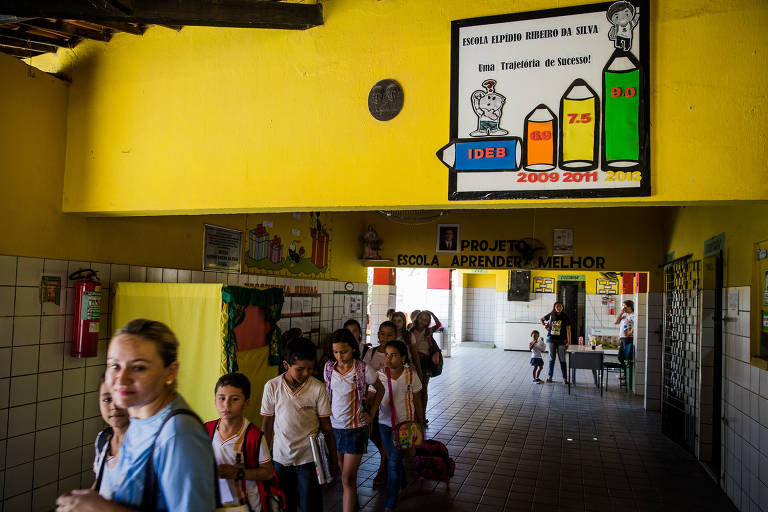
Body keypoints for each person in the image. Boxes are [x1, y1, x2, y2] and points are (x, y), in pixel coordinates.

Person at [56, 319, 218, 512]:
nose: (122, 379)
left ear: (171, 371)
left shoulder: (178, 433)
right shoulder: (138, 418)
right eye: (114, 366)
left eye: (139, 368)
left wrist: (102, 509)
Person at [261, 337, 339, 512]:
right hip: (281, 459)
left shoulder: (317, 388)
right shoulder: (272, 387)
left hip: (309, 460)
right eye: (300, 369)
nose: (306, 373)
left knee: (310, 506)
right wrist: (264, 458)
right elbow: (267, 424)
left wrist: (333, 458)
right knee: (284, 505)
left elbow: (327, 427)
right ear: (286, 365)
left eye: (310, 369)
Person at [324, 329, 385, 512]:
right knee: (345, 476)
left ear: (353, 349)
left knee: (347, 478)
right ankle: (353, 504)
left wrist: (372, 413)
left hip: (356, 429)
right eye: (336, 352)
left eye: (344, 351)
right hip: (336, 429)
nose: (340, 356)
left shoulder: (362, 369)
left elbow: (380, 389)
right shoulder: (328, 368)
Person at [207, 373, 274, 511]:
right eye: (221, 398)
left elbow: (268, 472)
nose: (226, 404)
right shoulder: (206, 430)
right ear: (214, 400)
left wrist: (238, 473)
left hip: (246, 505)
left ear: (246, 403)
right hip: (214, 503)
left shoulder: (254, 436)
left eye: (235, 399)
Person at [377, 340, 423, 512]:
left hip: (405, 425)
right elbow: (371, 396)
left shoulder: (411, 375)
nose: (389, 359)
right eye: (387, 355)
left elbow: (417, 400)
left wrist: (420, 421)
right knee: (393, 459)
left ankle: (391, 502)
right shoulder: (379, 376)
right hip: (384, 424)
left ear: (403, 357)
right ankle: (402, 482)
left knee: (394, 461)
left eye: (394, 355)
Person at [362, 321, 397, 487]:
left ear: (396, 336)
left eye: (389, 334)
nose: (385, 337)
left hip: (390, 401)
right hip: (372, 400)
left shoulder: (398, 354)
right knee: (373, 433)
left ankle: (383, 469)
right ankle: (386, 461)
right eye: (382, 334)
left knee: (384, 434)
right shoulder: (371, 352)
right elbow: (362, 375)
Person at [92, 374, 129, 498]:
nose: (114, 406)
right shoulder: (103, 439)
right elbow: (100, 482)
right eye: (107, 400)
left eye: (120, 397)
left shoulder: (145, 444)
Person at [404, 310, 441, 425]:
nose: (423, 321)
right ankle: (415, 415)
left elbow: (438, 324)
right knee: (414, 390)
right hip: (414, 361)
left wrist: (432, 313)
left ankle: (422, 416)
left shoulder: (428, 331)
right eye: (422, 318)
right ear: (417, 318)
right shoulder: (410, 330)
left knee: (423, 389)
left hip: (425, 362)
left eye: (426, 320)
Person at [540, 301, 572, 383]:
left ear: (562, 307)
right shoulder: (551, 315)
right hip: (551, 339)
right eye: (557, 306)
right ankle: (550, 377)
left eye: (560, 306)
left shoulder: (565, 316)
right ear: (554, 307)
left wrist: (569, 341)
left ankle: (565, 378)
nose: (558, 308)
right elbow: (542, 319)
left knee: (562, 359)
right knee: (552, 359)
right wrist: (545, 326)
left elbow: (568, 329)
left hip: (561, 340)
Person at [614, 299, 635, 367]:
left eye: (625, 306)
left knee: (627, 356)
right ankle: (625, 372)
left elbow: (636, 326)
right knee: (620, 357)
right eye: (623, 306)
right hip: (622, 337)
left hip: (628, 338)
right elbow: (616, 322)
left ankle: (627, 374)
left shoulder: (633, 315)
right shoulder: (624, 315)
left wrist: (631, 332)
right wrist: (621, 313)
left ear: (630, 307)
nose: (623, 308)